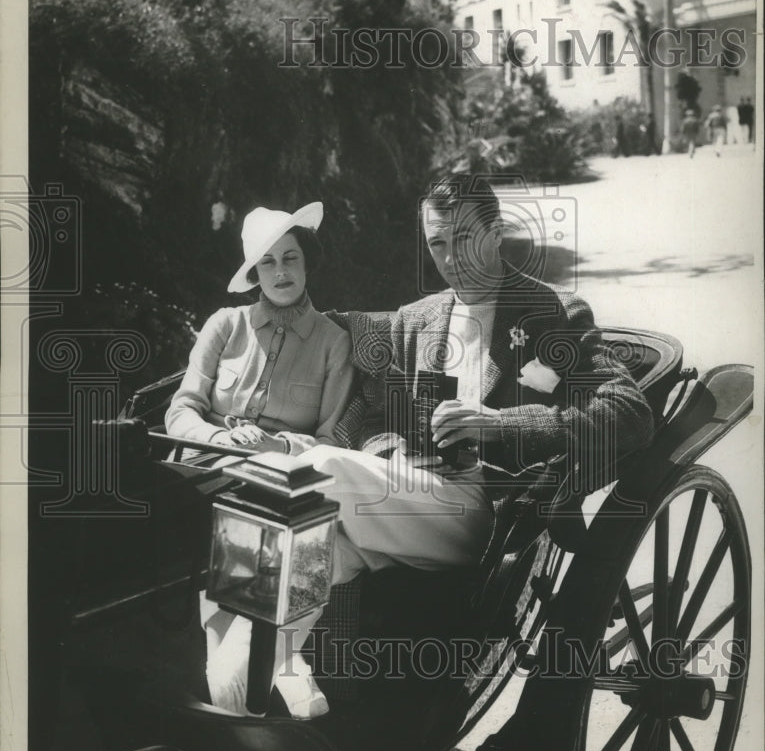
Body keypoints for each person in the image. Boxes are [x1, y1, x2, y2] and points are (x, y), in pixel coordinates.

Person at [207, 175, 655, 718]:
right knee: (312, 554)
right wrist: (389, 447)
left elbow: (628, 415)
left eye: (464, 239)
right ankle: (238, 717)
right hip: (411, 497)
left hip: (492, 516)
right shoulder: (418, 320)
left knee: (316, 466)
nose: (450, 258)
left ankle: (256, 691)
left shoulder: (550, 315)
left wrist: (500, 425)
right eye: (438, 244)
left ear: (496, 233)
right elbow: (373, 411)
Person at [166, 202, 356, 719]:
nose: (280, 273)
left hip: (279, 488)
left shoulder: (333, 344)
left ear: (307, 263)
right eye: (267, 263)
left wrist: (278, 448)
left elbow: (329, 443)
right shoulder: (225, 326)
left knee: (285, 513)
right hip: (204, 475)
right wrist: (221, 439)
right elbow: (181, 410)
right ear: (253, 273)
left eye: (289, 258)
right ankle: (282, 673)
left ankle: (240, 691)